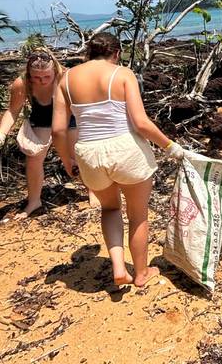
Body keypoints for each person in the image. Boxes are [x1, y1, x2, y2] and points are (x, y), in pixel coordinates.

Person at [53, 31, 185, 288]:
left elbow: (58, 130)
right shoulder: (122, 73)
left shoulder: (65, 79)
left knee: (111, 209)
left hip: (88, 152)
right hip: (126, 150)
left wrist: (67, 159)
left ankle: (118, 267)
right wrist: (170, 146)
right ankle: (141, 273)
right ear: (116, 53)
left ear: (88, 53)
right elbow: (141, 122)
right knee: (138, 216)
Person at [0, 50, 72, 218]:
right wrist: (0, 134)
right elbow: (12, 111)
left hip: (68, 118)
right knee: (33, 159)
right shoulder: (22, 83)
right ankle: (34, 201)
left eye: (47, 77)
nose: (42, 81)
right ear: (29, 74)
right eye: (37, 78)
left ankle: (92, 191)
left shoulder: (66, 77)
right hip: (41, 118)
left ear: (54, 70)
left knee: (77, 154)